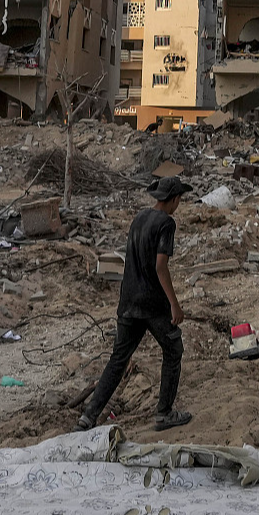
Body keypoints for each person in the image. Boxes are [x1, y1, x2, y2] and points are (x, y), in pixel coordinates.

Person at [76, 176, 192, 432]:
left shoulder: (139, 218)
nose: (178, 204)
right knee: (173, 350)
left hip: (128, 299)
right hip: (152, 303)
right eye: (179, 200)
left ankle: (89, 415)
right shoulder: (166, 223)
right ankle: (164, 413)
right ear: (173, 199)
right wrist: (175, 304)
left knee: (118, 358)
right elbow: (160, 266)